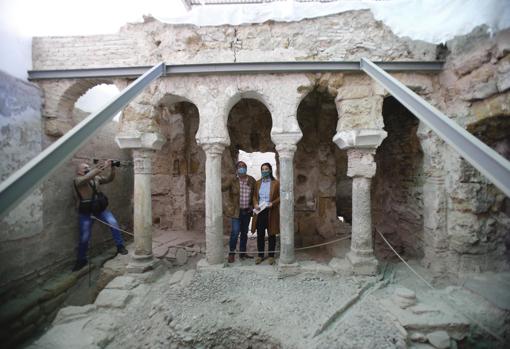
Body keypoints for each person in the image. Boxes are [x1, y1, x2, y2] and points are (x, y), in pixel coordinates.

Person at [72, 160, 128, 271]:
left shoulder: (95, 178)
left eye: (88, 167)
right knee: (85, 237)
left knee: (113, 224)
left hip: (99, 208)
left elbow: (109, 179)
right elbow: (86, 178)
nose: (87, 169)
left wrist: (112, 168)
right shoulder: (78, 180)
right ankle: (81, 260)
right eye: (84, 168)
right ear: (79, 171)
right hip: (86, 211)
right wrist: (102, 166)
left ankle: (120, 246)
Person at [222, 161, 256, 263]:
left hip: (247, 211)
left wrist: (253, 206)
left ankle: (242, 253)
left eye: (244, 166)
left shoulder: (251, 180)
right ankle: (231, 253)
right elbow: (222, 188)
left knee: (245, 233)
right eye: (240, 166)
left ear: (246, 168)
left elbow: (255, 194)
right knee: (235, 232)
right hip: (236, 212)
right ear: (236, 169)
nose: (242, 168)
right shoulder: (233, 180)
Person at [251, 163, 280, 265]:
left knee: (272, 233)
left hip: (271, 211)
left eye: (266, 169)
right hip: (260, 211)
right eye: (262, 169)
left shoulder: (276, 183)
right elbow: (254, 196)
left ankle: (271, 256)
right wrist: (255, 204)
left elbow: (280, 197)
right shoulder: (258, 183)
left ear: (270, 170)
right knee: (260, 234)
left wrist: (273, 203)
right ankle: (260, 255)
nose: (264, 171)